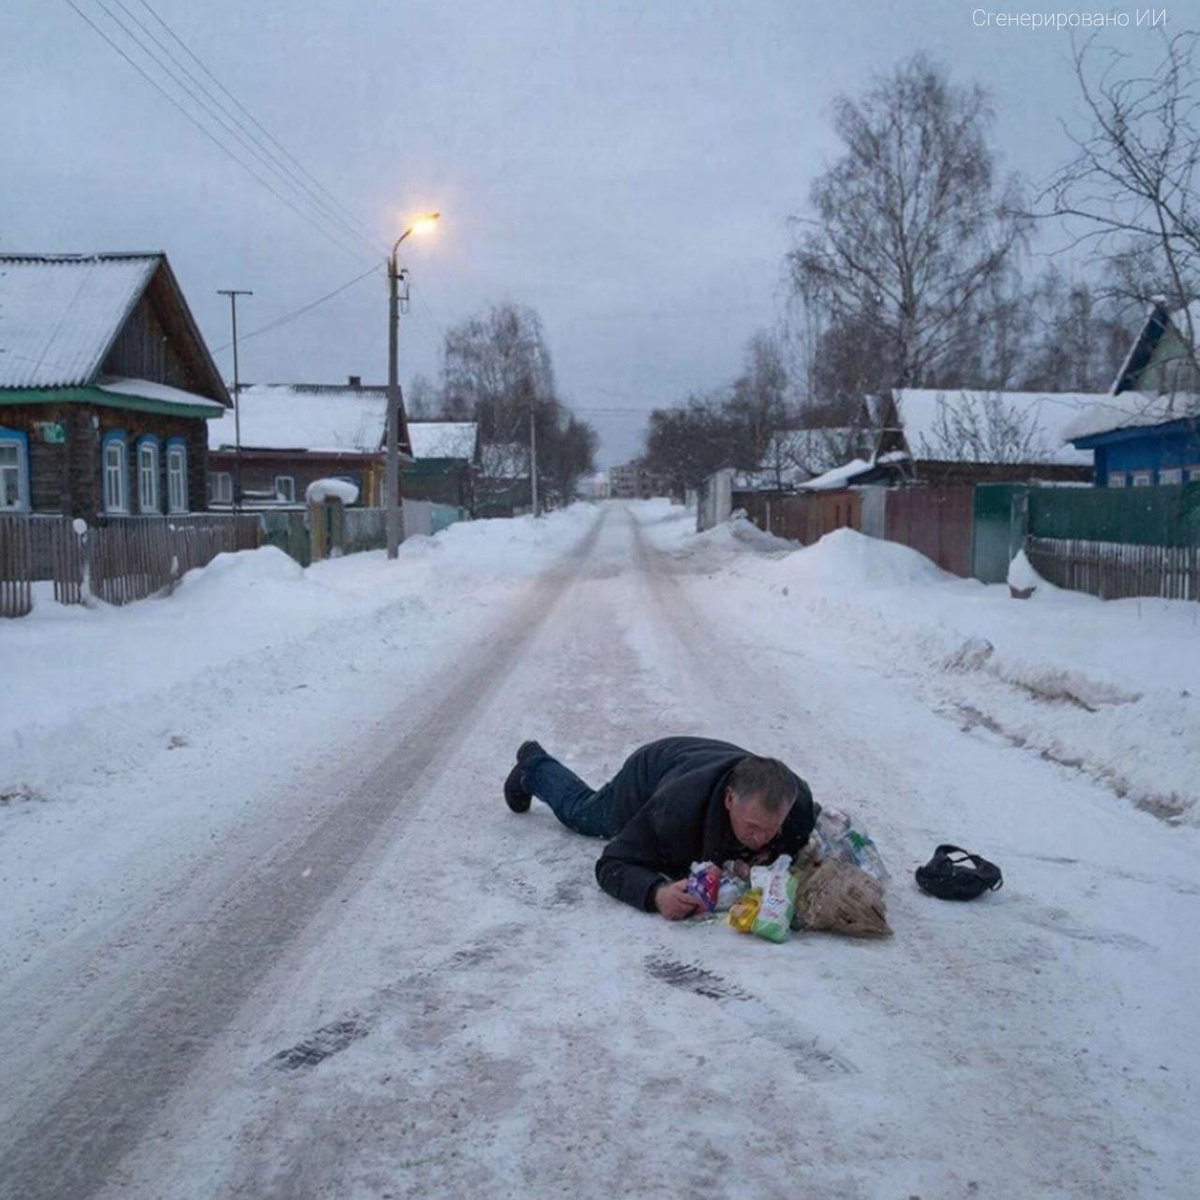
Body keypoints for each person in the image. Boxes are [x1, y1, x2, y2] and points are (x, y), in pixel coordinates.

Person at [503, 736, 818, 920]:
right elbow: (612, 862)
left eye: (771, 829)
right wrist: (657, 893)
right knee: (586, 815)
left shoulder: (797, 805)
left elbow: (803, 837)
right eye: (752, 827)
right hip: (652, 772)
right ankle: (533, 767)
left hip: (703, 760)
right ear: (729, 799)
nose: (761, 838)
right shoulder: (674, 810)